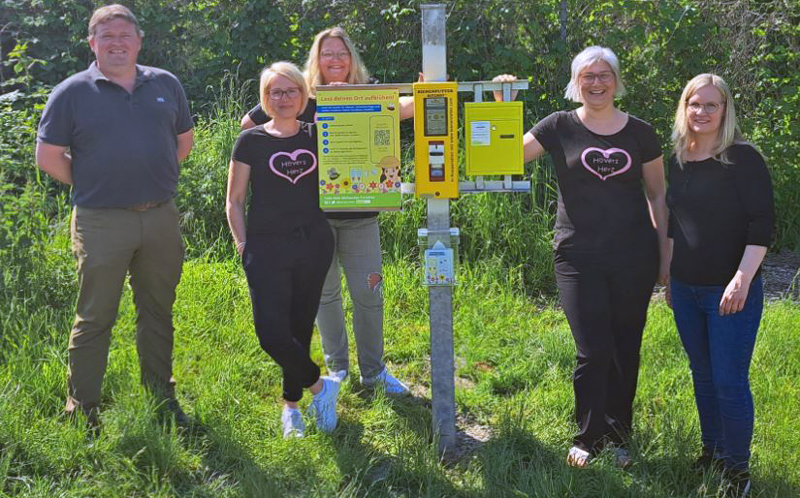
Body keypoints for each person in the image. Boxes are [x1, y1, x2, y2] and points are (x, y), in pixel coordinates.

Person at [494, 46, 670, 467]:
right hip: (577, 256)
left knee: (626, 347)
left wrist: (665, 259)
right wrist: (503, 110)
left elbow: (658, 194)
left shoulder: (641, 132)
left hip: (634, 256)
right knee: (592, 348)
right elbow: (503, 158)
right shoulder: (558, 126)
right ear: (576, 82)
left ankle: (619, 437)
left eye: (604, 74)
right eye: (588, 75)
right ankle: (588, 437)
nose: (596, 83)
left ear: (617, 80)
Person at [35, 4, 194, 430]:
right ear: (92, 44)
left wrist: (151, 179)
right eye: (107, 36)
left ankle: (161, 398)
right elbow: (48, 157)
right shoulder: (71, 92)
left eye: (125, 35)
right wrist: (95, 185)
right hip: (100, 221)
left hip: (160, 217)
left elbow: (183, 141)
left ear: (139, 41)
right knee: (95, 315)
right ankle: (82, 408)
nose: (117, 43)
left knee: (159, 309)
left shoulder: (165, 84)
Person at [241, 27, 412, 394]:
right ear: (315, 60)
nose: (335, 60)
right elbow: (250, 124)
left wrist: (429, 84)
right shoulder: (301, 95)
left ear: (352, 59)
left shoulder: (369, 93)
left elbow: (407, 110)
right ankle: (338, 370)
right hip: (313, 221)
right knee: (326, 295)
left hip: (362, 214)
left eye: (342, 53)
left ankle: (374, 371)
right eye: (327, 53)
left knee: (369, 292)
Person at [666, 74, 774, 497]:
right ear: (685, 107)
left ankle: (737, 472)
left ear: (726, 110)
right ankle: (711, 452)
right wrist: (670, 278)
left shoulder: (743, 158)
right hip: (687, 287)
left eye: (712, 105)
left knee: (729, 380)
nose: (703, 112)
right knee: (703, 376)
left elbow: (761, 223)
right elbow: (677, 224)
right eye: (695, 104)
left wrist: (743, 279)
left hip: (730, 290)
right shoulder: (678, 157)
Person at [227, 61, 339, 438]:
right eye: (276, 92)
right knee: (271, 334)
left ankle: (292, 408)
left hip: (313, 243)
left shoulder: (318, 135)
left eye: (291, 90)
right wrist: (242, 243)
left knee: (300, 326)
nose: (284, 98)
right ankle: (321, 387)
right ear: (265, 99)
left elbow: (370, 123)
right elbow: (234, 200)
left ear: (304, 95)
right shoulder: (251, 141)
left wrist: (422, 93)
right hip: (264, 246)